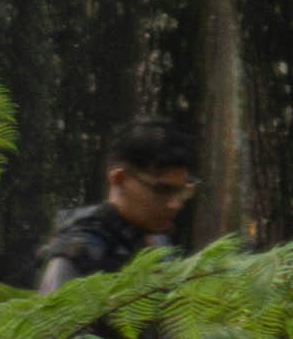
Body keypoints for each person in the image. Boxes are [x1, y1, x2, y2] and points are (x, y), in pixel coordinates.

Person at [39, 119, 200, 288]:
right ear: (119, 178)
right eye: (161, 190)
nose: (174, 204)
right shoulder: (79, 253)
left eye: (182, 191)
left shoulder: (158, 242)